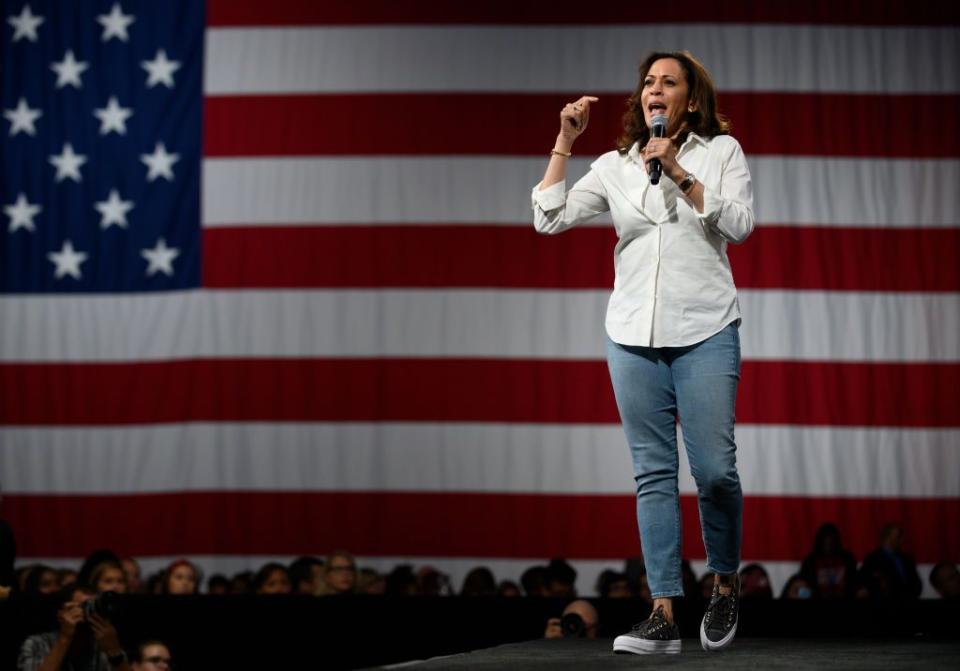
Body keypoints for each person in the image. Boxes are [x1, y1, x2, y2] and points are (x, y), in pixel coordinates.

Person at [532, 50, 754, 655]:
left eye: (669, 82)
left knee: (713, 471)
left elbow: (738, 223)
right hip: (631, 335)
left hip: (706, 328)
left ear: (690, 97)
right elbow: (548, 218)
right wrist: (564, 139)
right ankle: (662, 611)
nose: (656, 89)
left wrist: (679, 171)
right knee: (653, 474)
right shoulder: (615, 166)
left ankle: (725, 581)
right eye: (649, 82)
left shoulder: (720, 153)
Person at [18, 584, 131, 671]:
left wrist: (114, 652)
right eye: (83, 606)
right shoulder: (37, 643)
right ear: (61, 612)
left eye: (93, 606)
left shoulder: (103, 644)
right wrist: (65, 637)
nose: (89, 612)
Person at [858, 523, 922, 600]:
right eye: (898, 537)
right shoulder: (873, 559)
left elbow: (916, 582)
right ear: (887, 537)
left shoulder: (907, 559)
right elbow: (868, 583)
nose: (902, 540)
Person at [799, 522, 858, 599]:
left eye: (831, 540)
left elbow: (855, 581)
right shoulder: (810, 561)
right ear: (820, 541)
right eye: (825, 540)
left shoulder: (847, 559)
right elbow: (803, 584)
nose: (828, 543)